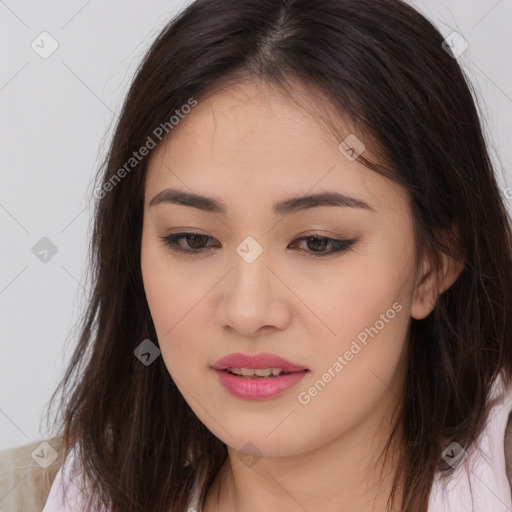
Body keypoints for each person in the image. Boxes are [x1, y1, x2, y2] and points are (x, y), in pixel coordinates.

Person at [41, 0, 512, 511]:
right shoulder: (85, 491)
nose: (246, 312)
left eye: (318, 242)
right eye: (193, 239)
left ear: (433, 264)